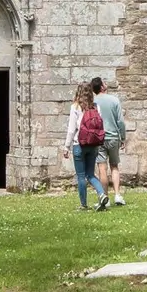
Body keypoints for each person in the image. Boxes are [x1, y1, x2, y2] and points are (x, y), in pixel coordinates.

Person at [62, 82, 108, 211]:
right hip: (93, 145)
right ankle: (102, 194)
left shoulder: (75, 107)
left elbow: (71, 129)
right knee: (91, 174)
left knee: (81, 176)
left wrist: (66, 147)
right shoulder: (96, 107)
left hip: (79, 145)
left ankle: (83, 205)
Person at [91, 76, 127, 207]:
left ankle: (104, 198)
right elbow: (120, 122)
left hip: (99, 138)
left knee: (102, 168)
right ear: (102, 87)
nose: (106, 84)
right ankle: (117, 195)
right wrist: (122, 137)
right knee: (114, 166)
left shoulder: (92, 102)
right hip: (113, 137)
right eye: (104, 83)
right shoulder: (114, 100)